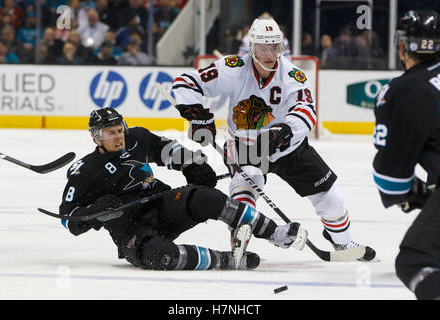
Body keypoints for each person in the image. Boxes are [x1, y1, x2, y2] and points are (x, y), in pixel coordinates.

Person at [172, 17, 377, 261]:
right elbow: (185, 83)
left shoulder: (293, 76)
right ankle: (239, 234)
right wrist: (197, 116)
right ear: (251, 47)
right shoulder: (232, 67)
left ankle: (342, 242)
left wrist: (285, 131)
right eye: (263, 48)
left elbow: (306, 110)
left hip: (288, 148)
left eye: (274, 47)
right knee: (248, 182)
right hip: (245, 145)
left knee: (331, 197)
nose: (269, 54)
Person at [58, 107, 307, 271]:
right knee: (161, 256)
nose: (118, 136)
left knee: (205, 197)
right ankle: (229, 260)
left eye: (119, 129)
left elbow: (166, 149)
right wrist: (93, 212)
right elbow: (68, 219)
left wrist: (192, 164)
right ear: (95, 137)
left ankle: (278, 233)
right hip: (131, 229)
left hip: (161, 205)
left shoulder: (137, 138)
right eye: (110, 133)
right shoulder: (85, 171)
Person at [372, 9, 440, 300]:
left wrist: (416, 194)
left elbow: (391, 179)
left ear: (401, 47)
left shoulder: (399, 91)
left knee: (415, 260)